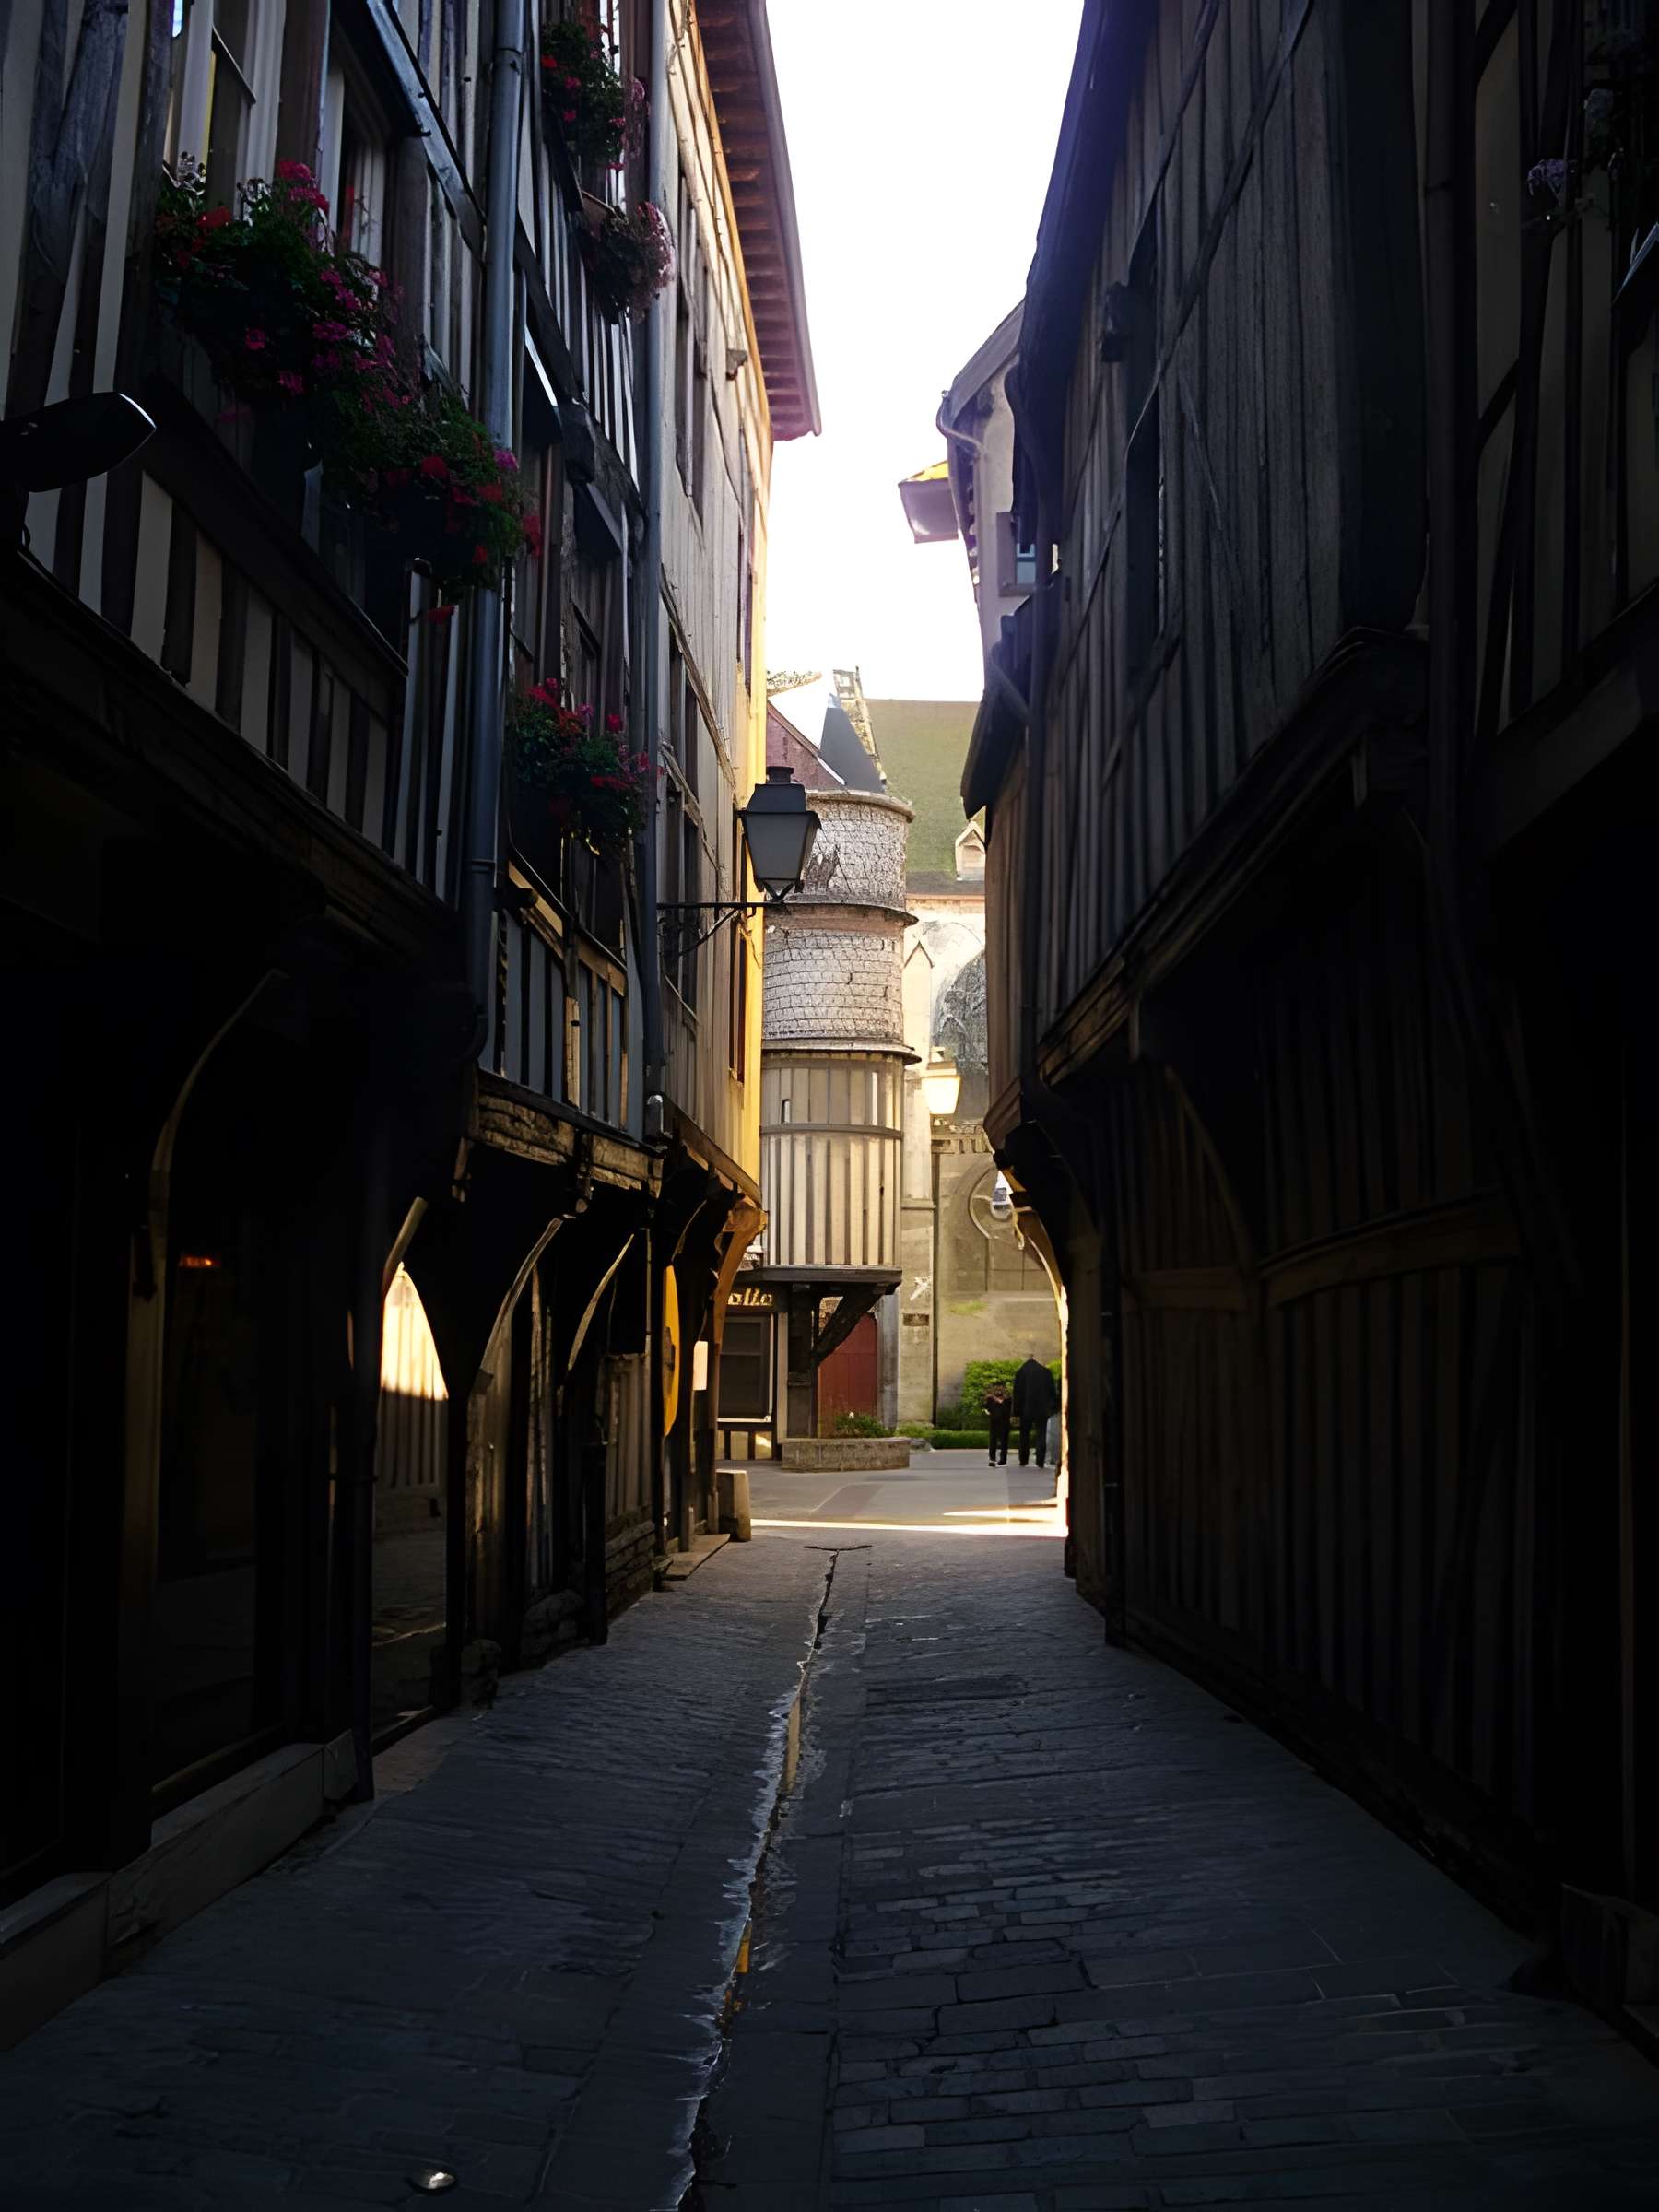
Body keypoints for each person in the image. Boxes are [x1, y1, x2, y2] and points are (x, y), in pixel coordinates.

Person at [1012, 1356, 1059, 1468]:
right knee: (1041, 1434)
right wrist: (1051, 1408)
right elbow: (1052, 1392)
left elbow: (1017, 1394)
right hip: (1042, 1409)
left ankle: (1023, 1459)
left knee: (1024, 1435)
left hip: (1025, 1410)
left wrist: (1016, 1412)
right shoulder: (1045, 1372)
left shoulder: (1021, 1372)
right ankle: (1040, 1460)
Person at [982, 1382, 1012, 1466]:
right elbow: (987, 1410)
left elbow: (1009, 1411)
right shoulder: (990, 1399)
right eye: (997, 1387)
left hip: (1004, 1423)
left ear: (1003, 1389)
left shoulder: (1008, 1400)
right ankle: (992, 1459)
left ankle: (1003, 1460)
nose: (999, 1389)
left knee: (1004, 1442)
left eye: (1000, 1387)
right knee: (993, 1441)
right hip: (994, 1423)